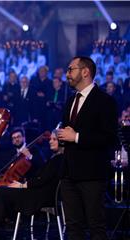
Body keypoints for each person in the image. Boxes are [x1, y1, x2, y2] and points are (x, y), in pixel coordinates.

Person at [57, 56, 118, 240]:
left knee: (95, 226)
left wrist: (75, 137)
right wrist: (62, 137)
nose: (67, 74)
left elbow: (108, 137)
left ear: (85, 72)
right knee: (73, 227)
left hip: (92, 174)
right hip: (69, 173)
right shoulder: (70, 101)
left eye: (70, 69)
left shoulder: (105, 101)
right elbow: (69, 131)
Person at [0, 131, 64, 239]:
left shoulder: (58, 159)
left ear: (62, 142)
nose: (50, 141)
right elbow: (41, 177)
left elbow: (42, 178)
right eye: (51, 139)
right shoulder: (55, 157)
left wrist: (23, 185)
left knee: (2, 191)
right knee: (3, 191)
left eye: (54, 139)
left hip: (41, 196)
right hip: (38, 191)